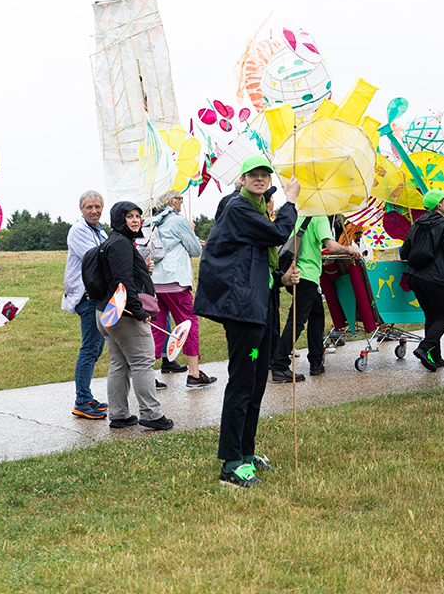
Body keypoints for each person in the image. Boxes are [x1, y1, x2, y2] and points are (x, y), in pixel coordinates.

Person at [194, 154, 300, 488]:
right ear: (242, 179)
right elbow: (278, 233)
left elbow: (253, 261)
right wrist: (291, 202)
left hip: (259, 309)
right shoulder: (239, 208)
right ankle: (230, 464)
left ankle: (246, 454)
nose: (259, 178)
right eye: (253, 174)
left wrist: (281, 278)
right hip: (243, 312)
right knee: (242, 383)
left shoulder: (255, 211)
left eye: (264, 175)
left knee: (255, 383)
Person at [95, 201, 173, 432]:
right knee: (143, 362)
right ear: (120, 219)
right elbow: (123, 282)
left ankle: (119, 415)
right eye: (129, 216)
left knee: (119, 363)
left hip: (106, 312)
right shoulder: (121, 244)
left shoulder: (114, 242)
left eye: (138, 216)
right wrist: (139, 312)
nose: (136, 220)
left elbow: (119, 275)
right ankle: (151, 413)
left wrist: (143, 271)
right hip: (124, 313)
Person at [271, 214, 360, 382]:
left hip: (293, 272)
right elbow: (332, 246)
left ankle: (316, 361)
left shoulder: (295, 215)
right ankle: (279, 364)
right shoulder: (319, 217)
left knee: (317, 314)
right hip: (306, 275)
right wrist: (349, 249)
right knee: (296, 321)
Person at [149, 192, 217, 389]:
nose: (181, 202)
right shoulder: (178, 220)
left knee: (156, 327)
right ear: (172, 202)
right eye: (179, 199)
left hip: (155, 282)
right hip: (176, 281)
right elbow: (195, 250)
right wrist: (192, 231)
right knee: (188, 323)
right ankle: (194, 374)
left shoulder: (152, 221)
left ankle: (148, 375)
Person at [400, 190, 444, 371]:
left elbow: (404, 253)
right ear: (438, 205)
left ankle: (436, 357)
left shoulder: (416, 225)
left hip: (415, 278)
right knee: (443, 318)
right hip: (437, 279)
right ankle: (424, 348)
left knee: (431, 317)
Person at [63, 190, 109, 419]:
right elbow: (98, 258)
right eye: (89, 207)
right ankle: (81, 401)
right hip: (86, 296)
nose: (94, 211)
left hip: (99, 297)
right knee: (90, 348)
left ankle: (87, 396)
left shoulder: (101, 231)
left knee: (96, 348)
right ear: (81, 209)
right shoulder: (78, 230)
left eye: (97, 207)